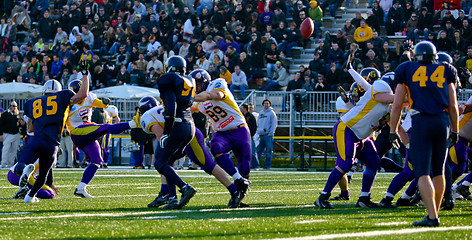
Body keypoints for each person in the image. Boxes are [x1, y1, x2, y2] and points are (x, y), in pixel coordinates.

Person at [390, 41, 459, 227]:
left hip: (421, 121)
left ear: (416, 56)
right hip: (442, 121)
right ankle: (433, 214)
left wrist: (393, 129)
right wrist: (455, 129)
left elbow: (397, 105)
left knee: (422, 172)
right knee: (438, 171)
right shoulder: (446, 69)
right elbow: (453, 106)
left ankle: (432, 216)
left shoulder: (406, 68)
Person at [140, 96, 247, 208]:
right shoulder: (159, 110)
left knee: (207, 165)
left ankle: (235, 191)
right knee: (164, 162)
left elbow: (162, 138)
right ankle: (169, 196)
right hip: (183, 133)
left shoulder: (147, 117)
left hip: (188, 136)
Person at [314, 62, 394, 209]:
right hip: (347, 129)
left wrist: (351, 70)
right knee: (345, 164)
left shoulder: (380, 94)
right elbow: (389, 97)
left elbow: (364, 84)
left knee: (374, 163)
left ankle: (364, 198)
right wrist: (414, 97)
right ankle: (323, 197)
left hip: (363, 135)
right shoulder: (381, 89)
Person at [14, 60, 89, 203]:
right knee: (43, 174)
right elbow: (82, 95)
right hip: (52, 143)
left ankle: (25, 169)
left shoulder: (33, 102)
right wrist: (85, 75)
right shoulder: (63, 96)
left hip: (36, 140)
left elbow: (29, 128)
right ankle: (30, 197)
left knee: (19, 166)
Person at [66, 79, 138, 198]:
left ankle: (81, 188)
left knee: (97, 160)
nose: (80, 95)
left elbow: (101, 104)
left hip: (87, 132)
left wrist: (105, 102)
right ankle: (131, 124)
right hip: (77, 132)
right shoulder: (68, 104)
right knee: (106, 128)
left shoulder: (89, 97)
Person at [193, 69, 251, 206]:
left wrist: (188, 96)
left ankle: (239, 195)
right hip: (221, 132)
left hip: (239, 129)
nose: (196, 87)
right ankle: (237, 180)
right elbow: (186, 108)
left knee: (245, 167)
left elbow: (215, 94)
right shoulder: (197, 100)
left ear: (205, 81)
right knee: (216, 147)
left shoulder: (218, 84)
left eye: (198, 84)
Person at [152, 55, 197, 210]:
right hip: (189, 125)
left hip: (177, 124)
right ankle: (172, 199)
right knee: (168, 161)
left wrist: (167, 131)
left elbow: (171, 109)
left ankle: (184, 188)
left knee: (159, 162)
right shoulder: (188, 81)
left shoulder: (168, 81)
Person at [0, 101, 24, 168]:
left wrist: (22, 123)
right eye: (12, 106)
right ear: (9, 106)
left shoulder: (18, 115)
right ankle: (4, 163)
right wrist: (1, 134)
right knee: (6, 149)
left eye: (15, 106)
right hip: (7, 134)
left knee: (13, 150)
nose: (14, 107)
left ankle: (11, 164)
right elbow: (1, 125)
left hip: (16, 134)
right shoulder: (5, 114)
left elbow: (20, 125)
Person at [256, 99, 277, 169]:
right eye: (265, 103)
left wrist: (270, 133)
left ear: (270, 104)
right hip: (261, 135)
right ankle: (256, 165)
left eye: (267, 103)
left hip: (268, 135)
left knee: (268, 152)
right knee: (259, 151)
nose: (266, 105)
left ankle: (267, 166)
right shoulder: (261, 113)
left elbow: (274, 124)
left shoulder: (272, 113)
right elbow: (258, 123)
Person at [241, 103, 259, 169]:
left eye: (242, 108)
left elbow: (254, 127)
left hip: (249, 136)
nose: (240, 109)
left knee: (253, 151)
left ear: (245, 108)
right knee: (244, 151)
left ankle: (256, 165)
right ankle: (246, 165)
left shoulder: (251, 116)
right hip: (242, 136)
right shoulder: (241, 116)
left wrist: (251, 134)